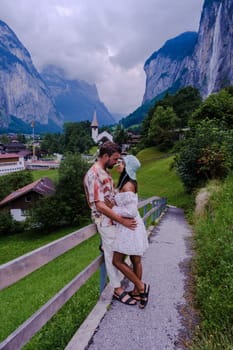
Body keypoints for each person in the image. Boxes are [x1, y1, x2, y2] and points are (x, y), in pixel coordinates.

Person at [84, 141, 137, 306]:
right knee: (113, 254)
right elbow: (98, 204)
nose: (116, 162)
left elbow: (108, 197)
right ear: (105, 156)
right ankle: (117, 289)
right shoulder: (93, 174)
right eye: (114, 158)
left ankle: (119, 282)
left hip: (112, 219)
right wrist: (121, 219)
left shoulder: (104, 172)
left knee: (118, 250)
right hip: (104, 220)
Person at [105, 155, 150, 309]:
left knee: (116, 261)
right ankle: (137, 292)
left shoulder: (128, 186)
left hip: (129, 227)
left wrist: (112, 208)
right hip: (134, 226)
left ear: (127, 167)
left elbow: (130, 211)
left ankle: (141, 286)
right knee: (136, 260)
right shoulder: (129, 183)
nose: (118, 164)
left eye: (121, 163)